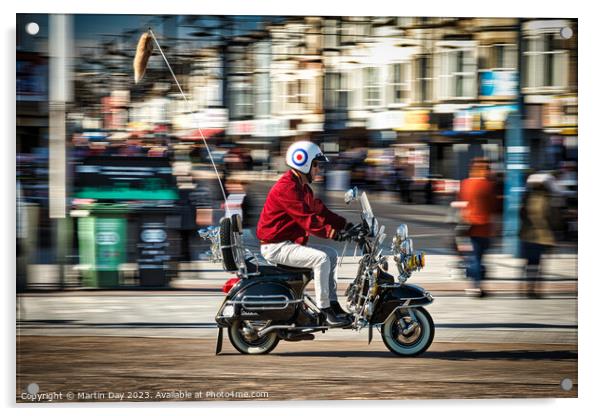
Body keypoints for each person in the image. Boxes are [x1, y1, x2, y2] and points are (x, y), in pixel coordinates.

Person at [256, 141, 353, 327]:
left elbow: (320, 211)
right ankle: (324, 309)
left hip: (287, 243)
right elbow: (307, 219)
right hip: (275, 246)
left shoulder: (301, 187)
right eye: (316, 165)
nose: (319, 170)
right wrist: (333, 234)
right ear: (304, 163)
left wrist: (346, 226)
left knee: (331, 254)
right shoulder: (287, 188)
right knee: (321, 259)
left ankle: (332, 304)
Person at [458, 158, 496, 297]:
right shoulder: (487, 185)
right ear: (483, 169)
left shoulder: (465, 183)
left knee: (473, 257)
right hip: (482, 227)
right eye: (487, 168)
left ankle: (473, 285)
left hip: (466, 226)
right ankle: (476, 287)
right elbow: (493, 206)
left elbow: (462, 201)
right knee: (478, 258)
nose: (489, 171)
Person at [519, 173, 560, 298]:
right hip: (541, 236)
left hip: (527, 234)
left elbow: (521, 215)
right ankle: (534, 289)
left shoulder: (526, 197)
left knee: (530, 262)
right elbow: (553, 218)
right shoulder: (547, 199)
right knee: (537, 263)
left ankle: (527, 288)